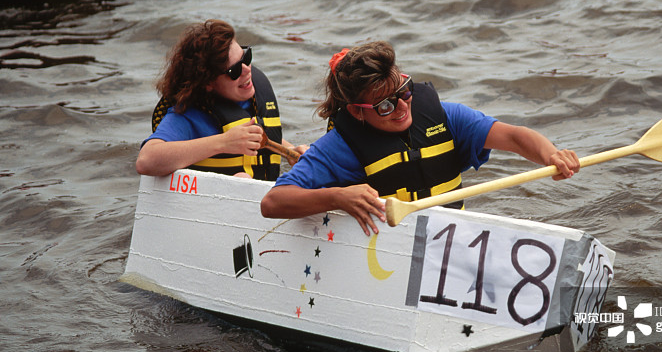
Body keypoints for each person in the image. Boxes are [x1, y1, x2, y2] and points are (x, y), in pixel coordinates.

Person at [259, 41, 579, 235]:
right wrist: (338, 198)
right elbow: (273, 202)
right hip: (388, 255)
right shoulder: (339, 148)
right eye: (384, 105)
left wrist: (551, 155)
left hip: (451, 240)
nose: (401, 108)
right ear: (358, 111)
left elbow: (515, 136)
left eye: (404, 92)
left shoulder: (446, 117)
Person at [136, 19, 306, 180]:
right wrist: (224, 142)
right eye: (235, 70)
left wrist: (290, 151)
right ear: (208, 82)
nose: (247, 70)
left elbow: (257, 137)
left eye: (246, 58)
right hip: (215, 202)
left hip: (264, 200)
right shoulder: (189, 115)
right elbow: (146, 161)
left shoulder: (251, 96)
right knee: (242, 179)